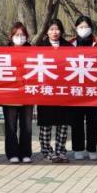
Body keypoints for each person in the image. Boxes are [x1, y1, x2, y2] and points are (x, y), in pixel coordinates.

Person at [36, 19, 72, 163]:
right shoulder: (40, 47)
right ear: (46, 31)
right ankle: (47, 151)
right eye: (51, 29)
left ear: (61, 31)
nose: (54, 32)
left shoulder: (69, 47)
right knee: (46, 122)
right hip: (46, 90)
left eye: (57, 29)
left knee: (63, 122)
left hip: (63, 90)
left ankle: (60, 150)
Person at [2, 23, 34, 163]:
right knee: (11, 125)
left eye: (22, 35)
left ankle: (26, 153)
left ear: (27, 37)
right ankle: (12, 153)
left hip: (27, 93)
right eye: (17, 35)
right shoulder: (4, 52)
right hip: (10, 94)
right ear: (11, 36)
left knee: (27, 125)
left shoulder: (33, 52)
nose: (20, 37)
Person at [70, 16, 97, 161]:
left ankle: (92, 148)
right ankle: (78, 149)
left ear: (91, 28)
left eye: (86, 27)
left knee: (92, 121)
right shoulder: (70, 44)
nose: (83, 30)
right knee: (76, 121)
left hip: (93, 89)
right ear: (76, 28)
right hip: (75, 89)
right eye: (80, 27)